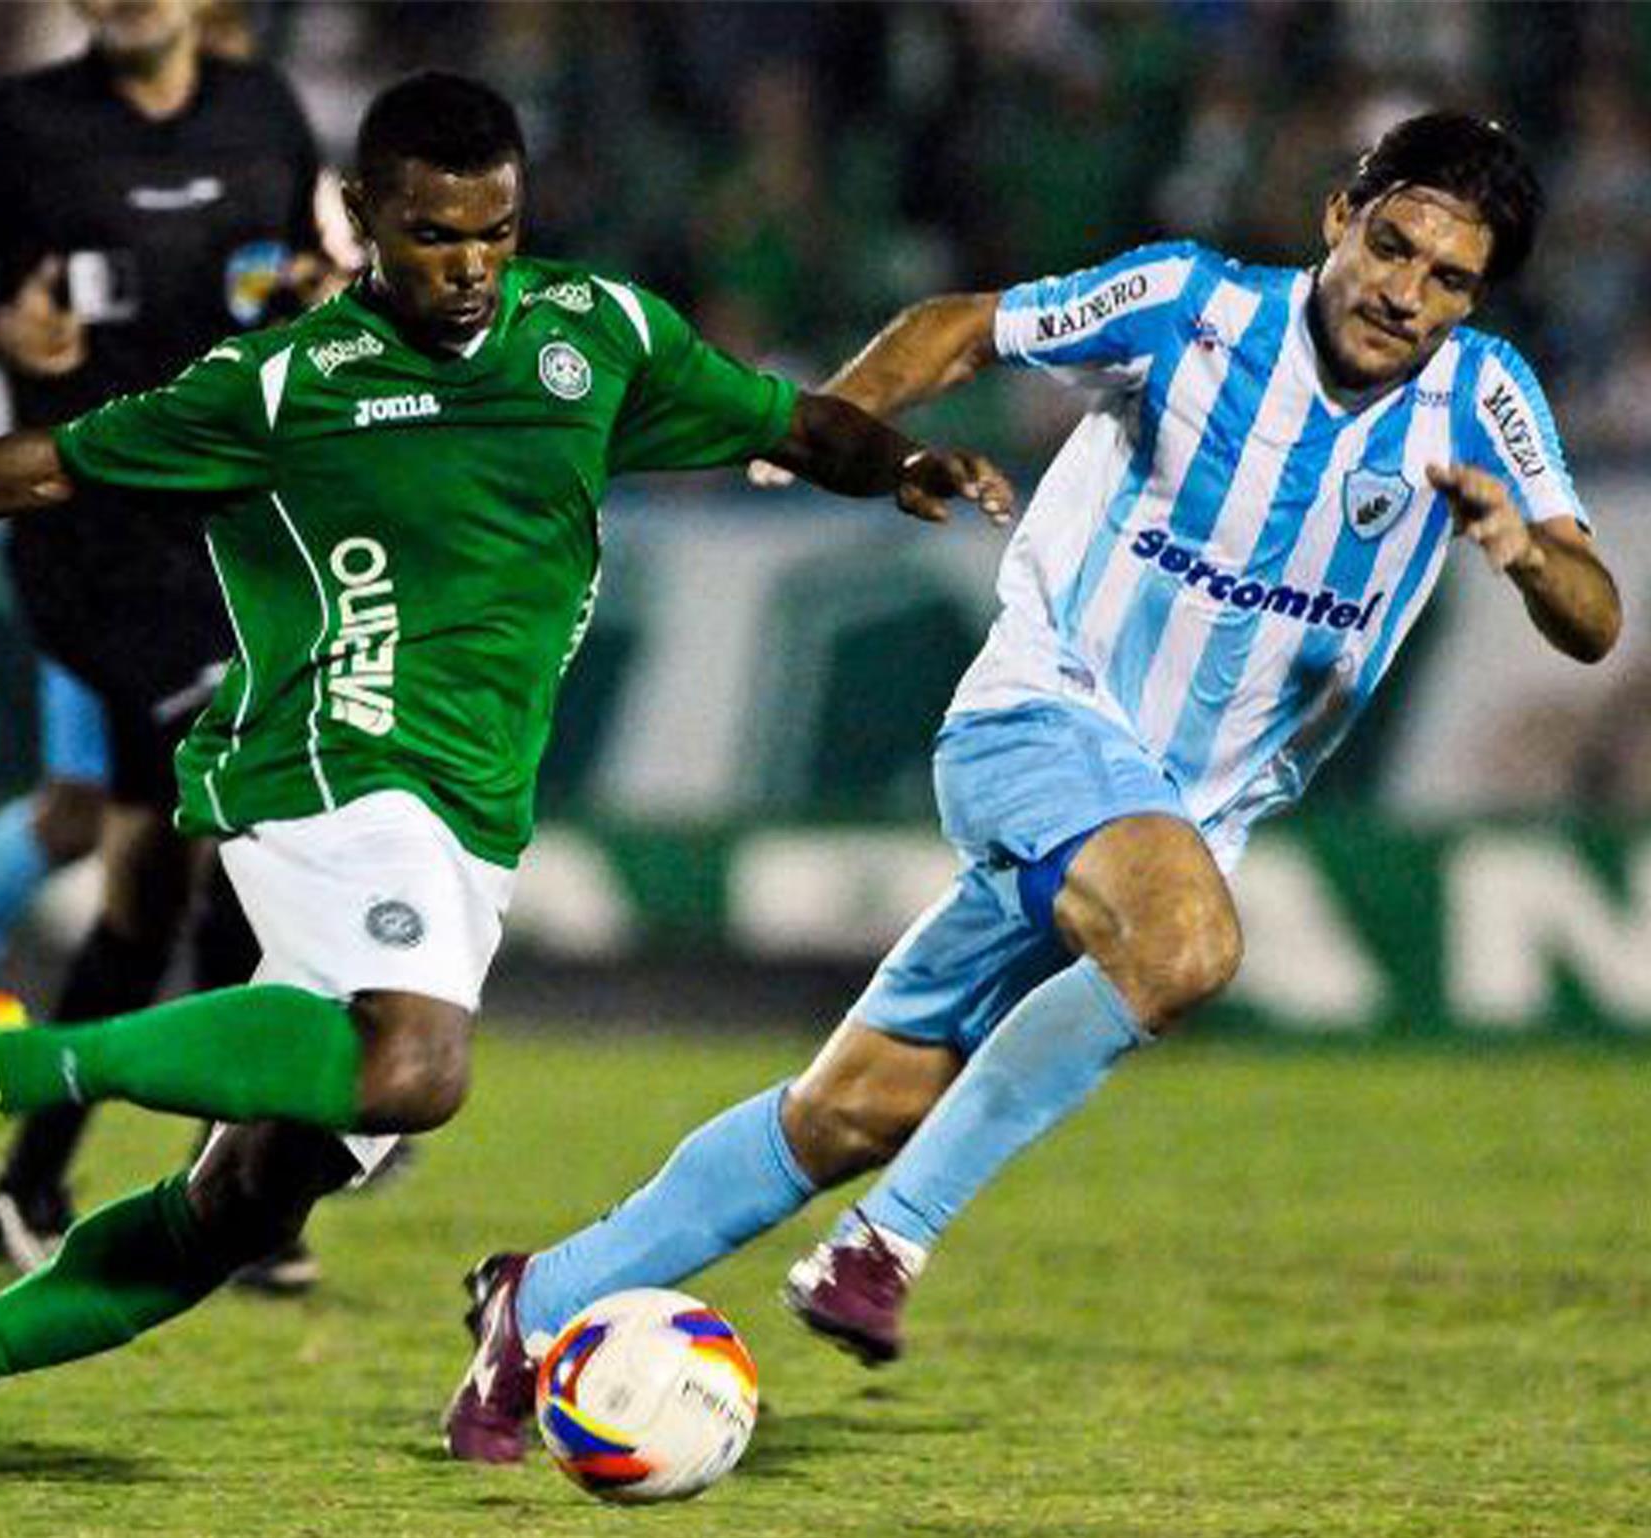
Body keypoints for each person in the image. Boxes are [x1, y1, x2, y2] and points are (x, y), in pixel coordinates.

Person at [0, 71, 1005, 1495]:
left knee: (235, 1203)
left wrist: (897, 457)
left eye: (493, 230)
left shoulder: (596, 334)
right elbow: (51, 466)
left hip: (468, 816)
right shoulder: (285, 385)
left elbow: (791, 424)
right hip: (329, 761)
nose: (470, 264)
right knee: (416, 1063)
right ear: (361, 218)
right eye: (432, 234)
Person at [434, 110, 1624, 1465]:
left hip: (1161, 822)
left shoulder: (1487, 398)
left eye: (1447, 278)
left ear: (1477, 298)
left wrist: (1526, 552)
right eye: (1390, 245)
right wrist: (835, 423)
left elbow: (1594, 613)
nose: (1404, 293)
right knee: (1191, 944)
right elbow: (964, 323)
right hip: (1038, 720)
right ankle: (883, 1244)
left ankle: (543, 1301)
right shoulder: (1191, 305)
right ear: (1339, 214)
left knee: (851, 1108)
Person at [0, 0, 332, 1286]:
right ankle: (239, 1193)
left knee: (152, 879)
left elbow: (326, 265)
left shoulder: (268, 114)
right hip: (99, 549)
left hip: (240, 538)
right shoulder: (4, 127)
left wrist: (315, 292)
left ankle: (33, 1178)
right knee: (237, 840)